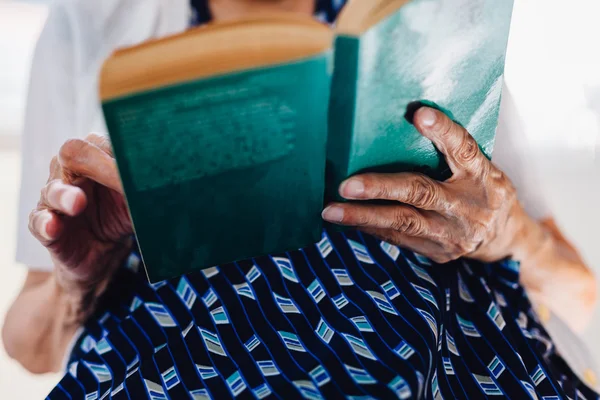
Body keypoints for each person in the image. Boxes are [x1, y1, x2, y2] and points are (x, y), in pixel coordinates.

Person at [2, 0, 598, 398]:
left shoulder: (415, 21)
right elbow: (26, 341)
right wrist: (77, 285)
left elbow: (580, 292)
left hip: (438, 350)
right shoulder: (92, 20)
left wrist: (507, 229)